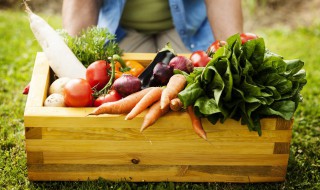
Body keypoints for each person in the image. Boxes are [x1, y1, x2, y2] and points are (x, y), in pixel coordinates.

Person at [62, 0, 243, 53]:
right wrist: (70, 56)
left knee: (200, 89)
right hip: (122, 29)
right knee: (118, 89)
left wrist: (236, 55)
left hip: (188, 29)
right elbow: (82, 3)